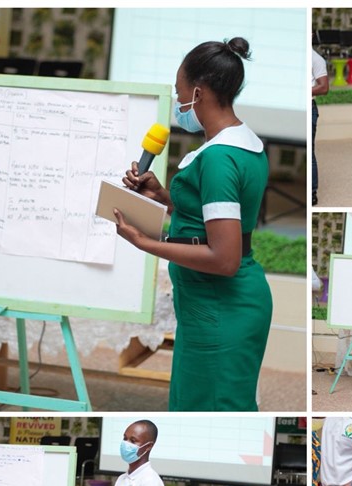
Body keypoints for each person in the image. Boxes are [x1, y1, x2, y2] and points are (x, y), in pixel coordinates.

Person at [116, 37, 272, 411]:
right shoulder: (240, 143)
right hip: (212, 304)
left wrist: (145, 243)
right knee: (199, 401)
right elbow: (216, 221)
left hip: (221, 307)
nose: (177, 100)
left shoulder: (219, 158)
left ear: (198, 92)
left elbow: (223, 257)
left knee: (214, 407)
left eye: (179, 91)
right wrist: (166, 199)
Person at [312, 40, 328, 206]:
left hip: (310, 107)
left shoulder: (316, 59)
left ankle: (312, 193)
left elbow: (324, 87)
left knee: (310, 152)